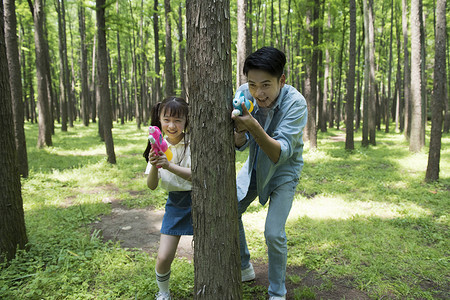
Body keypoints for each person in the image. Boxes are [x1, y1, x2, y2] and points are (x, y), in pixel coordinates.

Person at [231, 47, 307, 300]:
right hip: (254, 165)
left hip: (284, 172)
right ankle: (244, 266)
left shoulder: (296, 103)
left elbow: (279, 154)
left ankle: (277, 293)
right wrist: (240, 133)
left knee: (274, 233)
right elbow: (239, 144)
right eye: (252, 84)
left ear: (282, 80)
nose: (258, 93)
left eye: (266, 85)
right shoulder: (243, 94)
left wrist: (252, 125)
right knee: (229, 209)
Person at [144, 97, 191, 300]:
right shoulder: (158, 145)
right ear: (159, 120)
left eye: (178, 120)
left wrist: (169, 165)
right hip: (176, 204)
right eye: (167, 119)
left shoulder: (193, 143)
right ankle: (163, 293)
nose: (172, 125)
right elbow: (152, 185)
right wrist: (155, 164)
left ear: (187, 121)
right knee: (163, 257)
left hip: (201, 201)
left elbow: (197, 175)